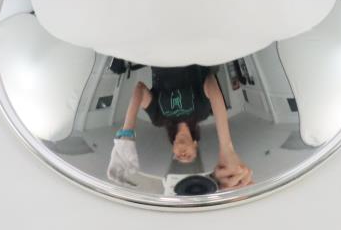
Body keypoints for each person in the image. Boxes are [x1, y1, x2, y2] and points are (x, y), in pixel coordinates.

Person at [107, 65, 252, 190]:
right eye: (189, 156)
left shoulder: (159, 118)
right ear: (195, 145)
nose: (182, 155)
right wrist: (226, 148)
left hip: (161, 55)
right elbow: (211, 82)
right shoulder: (202, 113)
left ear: (173, 148)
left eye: (178, 157)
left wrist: (126, 136)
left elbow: (139, 89)